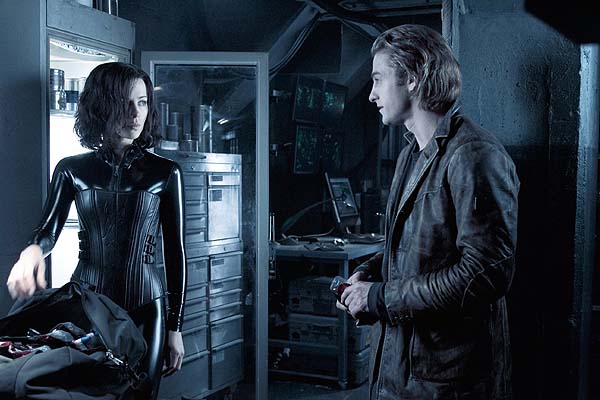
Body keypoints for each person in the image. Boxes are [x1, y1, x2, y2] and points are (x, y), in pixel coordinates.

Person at [338, 25, 519, 399]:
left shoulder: (474, 156)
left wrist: (380, 297)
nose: (371, 94)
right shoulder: (411, 154)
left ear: (413, 78)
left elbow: (485, 274)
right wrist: (369, 273)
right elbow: (416, 248)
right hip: (401, 374)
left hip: (447, 383)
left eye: (378, 79)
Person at [6, 62, 187, 399]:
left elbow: (176, 253)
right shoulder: (71, 169)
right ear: (102, 105)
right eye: (125, 103)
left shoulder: (166, 173)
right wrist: (30, 254)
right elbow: (48, 231)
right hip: (88, 309)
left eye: (142, 102)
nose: (136, 114)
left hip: (147, 309)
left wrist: (175, 327)